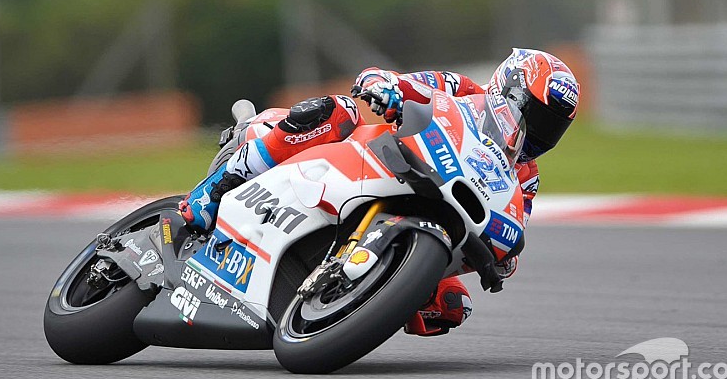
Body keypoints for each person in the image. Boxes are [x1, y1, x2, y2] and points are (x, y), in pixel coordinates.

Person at [179, 48, 580, 336]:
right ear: (508, 88)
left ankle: (349, 298)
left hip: (429, 210)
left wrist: (503, 257)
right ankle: (216, 188)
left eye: (552, 128)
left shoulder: (525, 175)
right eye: (536, 116)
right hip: (374, 158)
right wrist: (384, 87)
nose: (540, 133)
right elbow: (399, 82)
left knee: (450, 307)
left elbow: (513, 224)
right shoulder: (462, 89)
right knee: (338, 111)